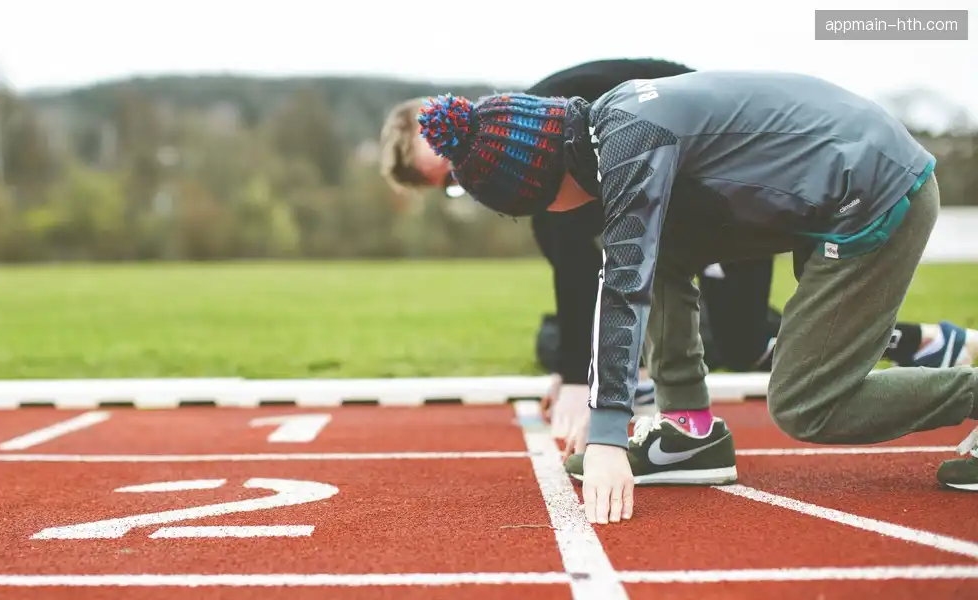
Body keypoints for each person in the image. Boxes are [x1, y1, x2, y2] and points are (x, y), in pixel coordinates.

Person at [413, 69, 978, 525]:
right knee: (656, 247)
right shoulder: (614, 118)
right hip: (835, 182)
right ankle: (690, 432)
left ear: (540, 185)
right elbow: (643, 257)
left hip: (876, 194)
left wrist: (608, 434)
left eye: (526, 208)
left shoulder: (631, 143)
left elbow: (624, 285)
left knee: (809, 403)